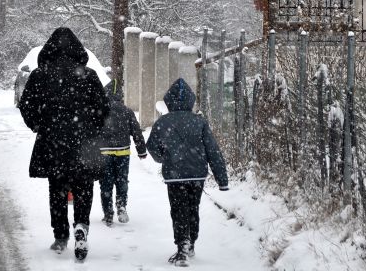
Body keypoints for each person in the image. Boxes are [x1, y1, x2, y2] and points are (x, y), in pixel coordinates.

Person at [18, 27, 109, 262]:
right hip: (83, 143)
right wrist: (91, 130)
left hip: (53, 143)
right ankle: (81, 226)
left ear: (49, 49)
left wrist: (38, 125)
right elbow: (103, 109)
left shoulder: (40, 75)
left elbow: (26, 105)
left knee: (57, 188)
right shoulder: (88, 75)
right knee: (84, 186)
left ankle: (60, 235)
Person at [146, 78, 229, 267]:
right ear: (190, 100)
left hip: (175, 175)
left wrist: (163, 158)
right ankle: (191, 241)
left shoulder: (163, 122)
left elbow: (151, 147)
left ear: (169, 100)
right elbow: (212, 150)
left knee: (178, 209)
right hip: (197, 175)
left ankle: (182, 245)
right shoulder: (199, 122)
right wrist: (222, 179)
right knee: (193, 208)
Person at [99, 79, 147, 226]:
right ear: (120, 95)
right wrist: (141, 150)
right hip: (123, 152)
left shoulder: (100, 110)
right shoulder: (127, 111)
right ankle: (121, 205)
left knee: (106, 183)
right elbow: (136, 132)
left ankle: (108, 213)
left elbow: (91, 131)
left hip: (104, 153)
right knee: (122, 180)